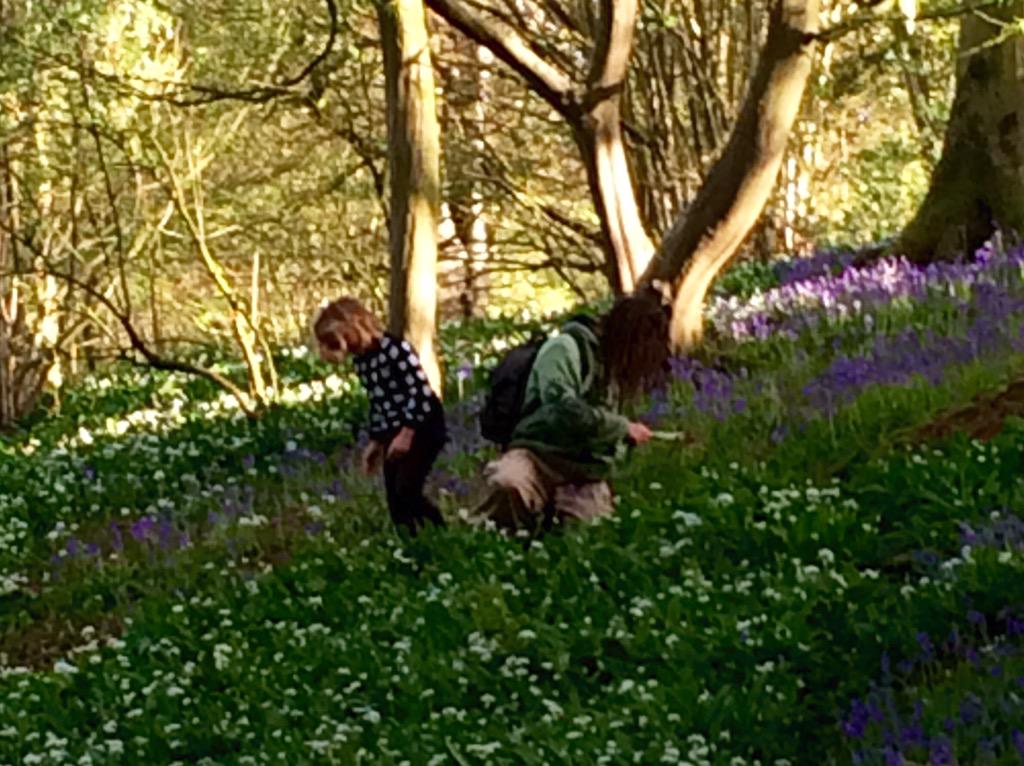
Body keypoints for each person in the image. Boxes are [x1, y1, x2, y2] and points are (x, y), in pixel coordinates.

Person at [475, 290, 670, 534]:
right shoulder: (565, 350)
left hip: (585, 472)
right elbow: (561, 409)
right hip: (537, 455)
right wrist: (622, 427)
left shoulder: (615, 371)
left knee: (590, 538)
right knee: (508, 485)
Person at [313, 297, 446, 536]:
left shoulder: (395, 350)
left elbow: (421, 392)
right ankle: (411, 546)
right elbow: (379, 402)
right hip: (393, 430)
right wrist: (376, 442)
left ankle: (441, 534)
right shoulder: (362, 362)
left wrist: (407, 433)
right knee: (394, 498)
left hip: (423, 426)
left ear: (353, 325)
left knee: (407, 490)